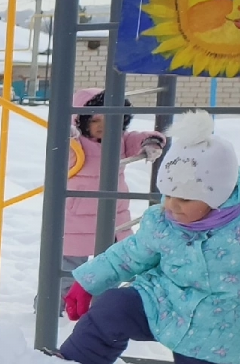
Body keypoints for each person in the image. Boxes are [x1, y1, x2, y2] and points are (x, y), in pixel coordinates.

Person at [59, 112, 240, 364]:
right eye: (167, 193)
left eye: (185, 198)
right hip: (162, 299)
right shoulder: (163, 221)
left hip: (220, 326)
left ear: (219, 195)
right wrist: (89, 280)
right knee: (113, 308)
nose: (172, 205)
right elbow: (131, 253)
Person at [61, 88, 166, 288]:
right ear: (81, 121)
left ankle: (106, 304)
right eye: (94, 120)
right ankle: (53, 306)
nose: (103, 126)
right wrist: (69, 137)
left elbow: (137, 138)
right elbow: (67, 156)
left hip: (113, 215)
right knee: (70, 269)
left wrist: (150, 142)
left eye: (109, 120)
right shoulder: (77, 145)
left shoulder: (119, 139)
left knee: (114, 265)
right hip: (78, 216)